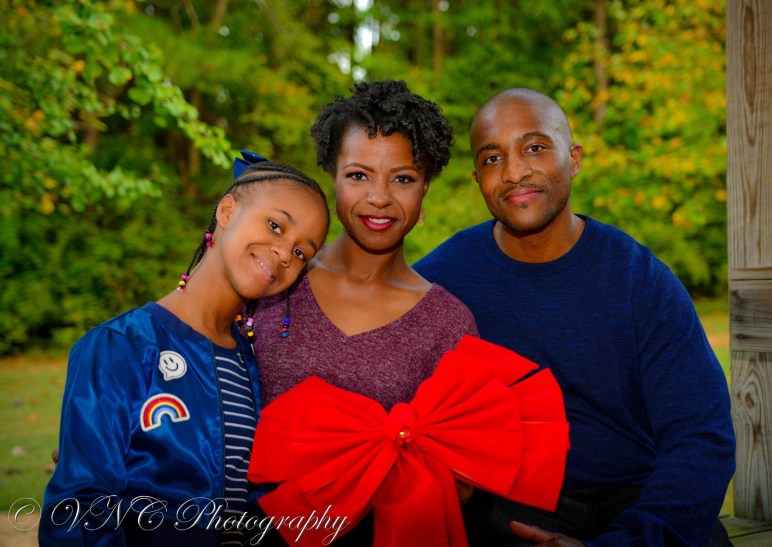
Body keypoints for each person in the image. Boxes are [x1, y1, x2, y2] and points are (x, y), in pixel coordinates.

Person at [414, 87, 736, 547]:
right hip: (509, 506)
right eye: (492, 158)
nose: (514, 172)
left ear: (575, 158)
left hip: (639, 498)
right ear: (477, 178)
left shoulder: (639, 278)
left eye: (535, 148)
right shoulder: (440, 282)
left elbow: (701, 435)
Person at [40, 158, 330, 546]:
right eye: (275, 226)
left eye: (301, 252)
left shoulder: (255, 364)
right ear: (227, 211)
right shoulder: (121, 346)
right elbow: (80, 512)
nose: (283, 253)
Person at [251, 80, 478, 543]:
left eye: (403, 179)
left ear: (426, 187)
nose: (379, 198)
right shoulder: (273, 279)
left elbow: (462, 483)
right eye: (358, 175)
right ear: (332, 176)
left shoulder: (448, 324)